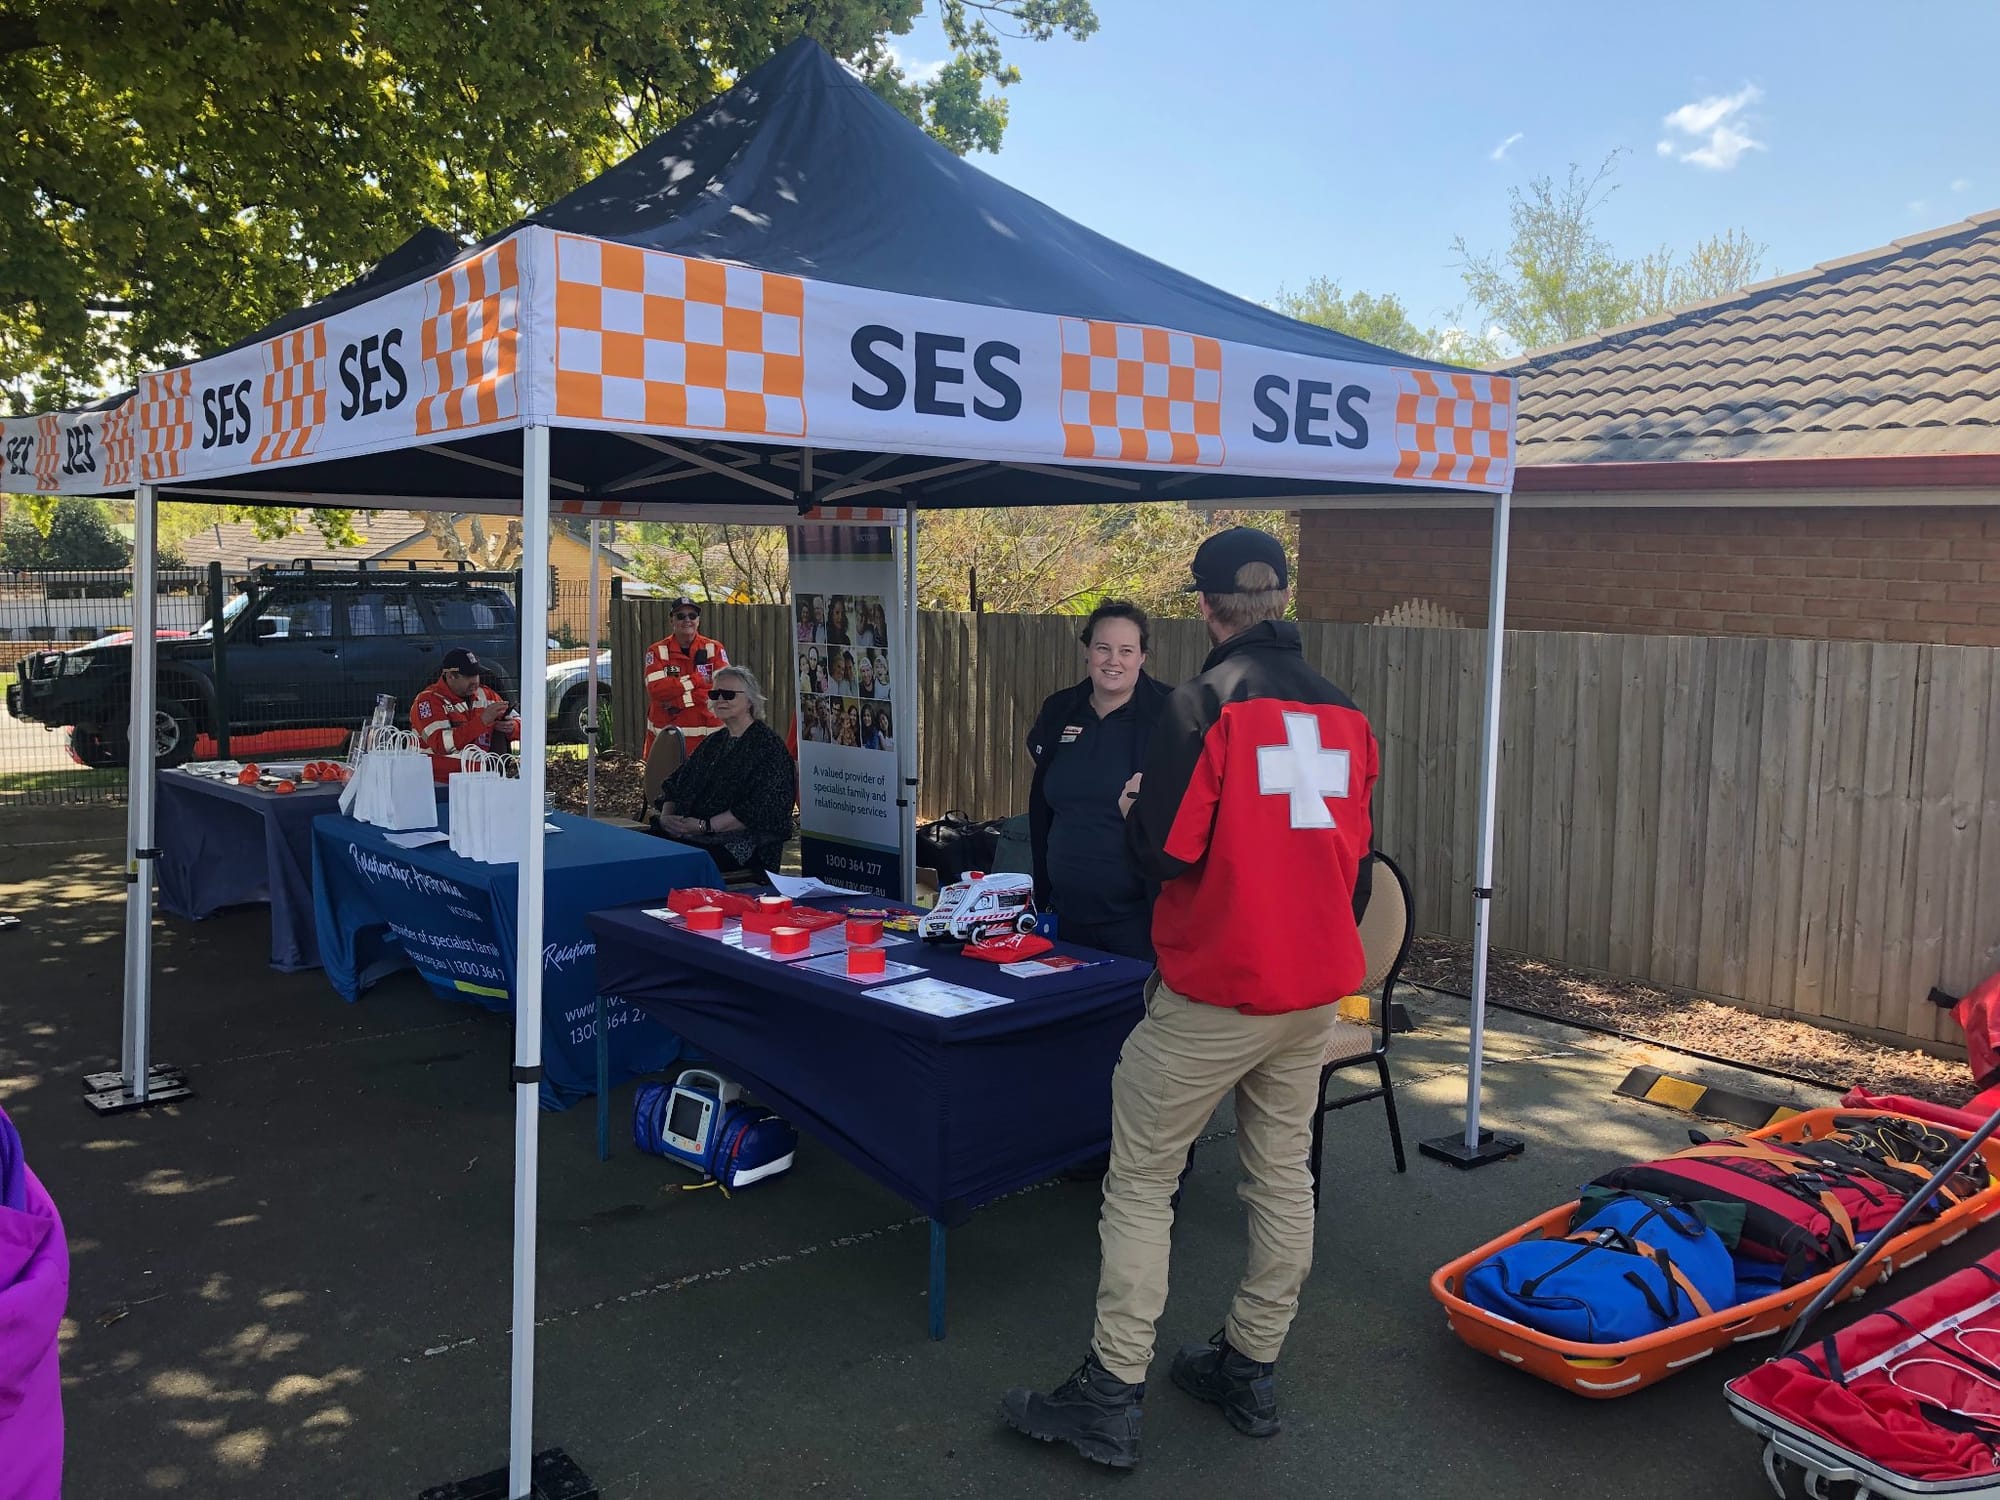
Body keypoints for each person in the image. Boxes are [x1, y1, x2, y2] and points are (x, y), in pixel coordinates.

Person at [1001, 527, 1380, 1470]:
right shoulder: (1347, 715)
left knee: (1139, 1180)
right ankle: (1248, 1363)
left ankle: (1112, 1387)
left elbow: (1165, 853)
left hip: (1215, 988)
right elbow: (1355, 873)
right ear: (1281, 598)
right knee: (1280, 1176)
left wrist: (1134, 815)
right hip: (1309, 996)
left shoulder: (1202, 706)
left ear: (1205, 608)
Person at [1025, 600, 1172, 963]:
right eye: (1103, 648)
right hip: (1063, 915)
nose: (1113, 660)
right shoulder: (1060, 709)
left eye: (1126, 651)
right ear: (1086, 651)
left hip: (1138, 923)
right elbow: (1040, 769)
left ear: (1143, 658)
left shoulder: (1170, 713)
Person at [651, 665, 796, 875]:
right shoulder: (715, 741)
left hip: (743, 845)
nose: (720, 700)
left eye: (728, 695)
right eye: (715, 694)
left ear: (749, 701)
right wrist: (667, 818)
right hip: (694, 832)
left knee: (669, 863)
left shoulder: (768, 747)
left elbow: (758, 808)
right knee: (642, 849)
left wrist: (704, 826)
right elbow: (676, 782)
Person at [411, 647, 520, 784]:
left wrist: (511, 727)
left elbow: (523, 725)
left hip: (480, 779)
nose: (475, 681)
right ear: (450, 676)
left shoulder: (487, 695)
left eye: (476, 675)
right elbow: (441, 744)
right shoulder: (427, 701)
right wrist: (482, 721)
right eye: (468, 676)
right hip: (438, 782)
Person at [642, 597, 729, 756]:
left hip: (708, 742)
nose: (687, 620)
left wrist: (679, 697)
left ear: (698, 620)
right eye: (680, 616)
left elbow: (723, 690)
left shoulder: (714, 649)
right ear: (672, 621)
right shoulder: (657, 651)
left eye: (692, 615)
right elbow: (657, 691)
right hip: (668, 742)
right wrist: (697, 679)